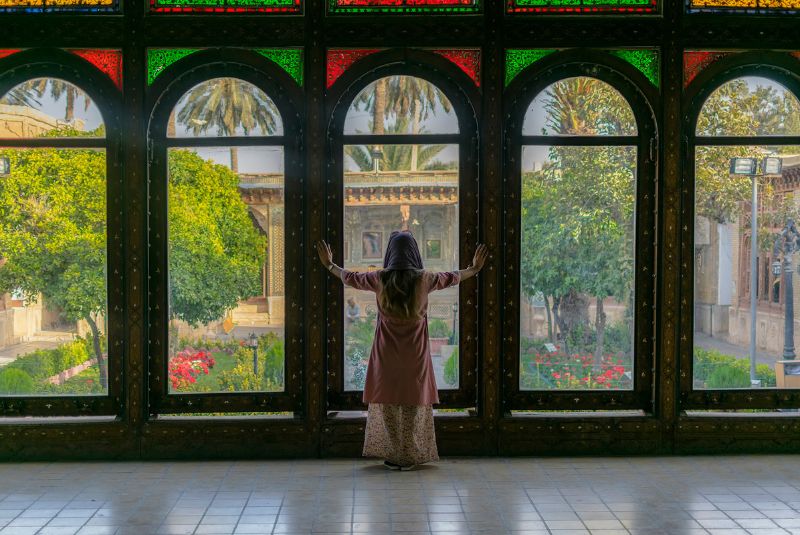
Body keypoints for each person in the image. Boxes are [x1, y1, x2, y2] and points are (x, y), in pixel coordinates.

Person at [316, 232, 488, 470]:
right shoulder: (425, 279)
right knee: (412, 404)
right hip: (414, 355)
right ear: (415, 253)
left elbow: (350, 278)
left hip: (386, 354)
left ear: (389, 254)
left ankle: (393, 454)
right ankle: (409, 455)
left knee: (387, 403)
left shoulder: (380, 279)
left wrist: (329, 264)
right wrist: (475, 269)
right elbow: (454, 277)